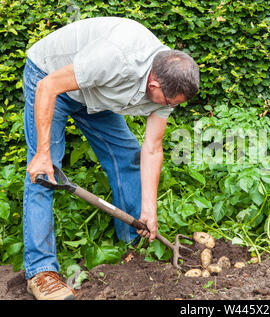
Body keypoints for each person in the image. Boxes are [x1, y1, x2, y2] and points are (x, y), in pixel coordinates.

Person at [22, 16, 200, 300]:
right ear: (153, 82)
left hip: (95, 93)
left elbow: (152, 148)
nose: (170, 108)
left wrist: (149, 209)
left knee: (128, 155)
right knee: (44, 174)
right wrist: (43, 154)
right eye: (168, 102)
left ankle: (132, 243)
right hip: (50, 76)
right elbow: (48, 87)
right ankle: (41, 271)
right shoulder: (117, 58)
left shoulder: (170, 82)